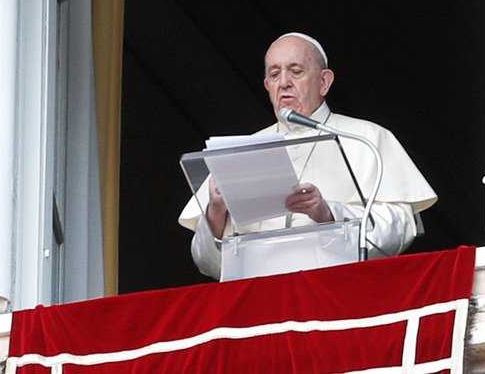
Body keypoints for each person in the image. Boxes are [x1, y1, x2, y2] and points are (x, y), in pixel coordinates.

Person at [178, 32, 437, 280]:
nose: (284, 83)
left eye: (296, 71)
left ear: (324, 81)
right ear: (267, 86)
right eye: (274, 74)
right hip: (257, 299)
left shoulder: (366, 138)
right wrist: (215, 212)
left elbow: (401, 228)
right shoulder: (240, 150)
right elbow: (207, 263)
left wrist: (329, 214)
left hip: (336, 293)